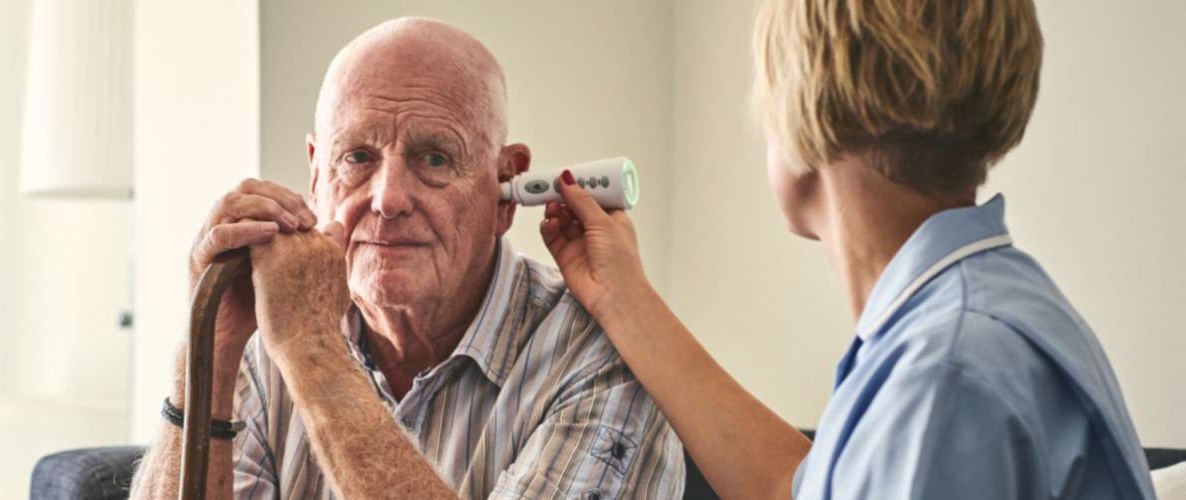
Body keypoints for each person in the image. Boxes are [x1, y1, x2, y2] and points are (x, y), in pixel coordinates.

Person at [537, 0, 1156, 498]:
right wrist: (624, 300)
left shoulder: (944, 377)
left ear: (806, 117)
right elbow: (794, 488)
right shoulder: (981, 317)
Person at [129, 18, 685, 500]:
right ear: (317, 175)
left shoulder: (602, 364)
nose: (388, 199)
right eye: (358, 157)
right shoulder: (264, 329)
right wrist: (209, 350)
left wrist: (313, 352)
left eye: (435, 158)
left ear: (505, 185)